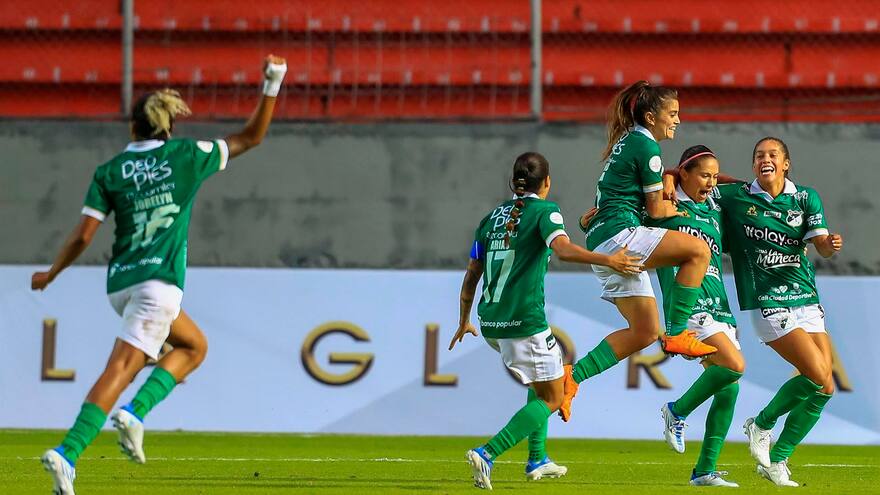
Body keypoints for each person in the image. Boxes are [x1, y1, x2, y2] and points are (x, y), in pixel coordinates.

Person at [32, 55, 288, 495]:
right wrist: (272, 82)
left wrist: (53, 272)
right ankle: (70, 451)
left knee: (193, 344)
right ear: (168, 128)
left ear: (132, 129)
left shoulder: (111, 171)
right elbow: (251, 137)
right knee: (123, 366)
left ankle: (133, 413)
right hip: (159, 284)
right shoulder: (186, 156)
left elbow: (83, 235)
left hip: (121, 284)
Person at [448, 152, 642, 490]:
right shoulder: (545, 212)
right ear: (547, 183)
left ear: (514, 183)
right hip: (523, 320)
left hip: (491, 320)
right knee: (553, 396)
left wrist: (464, 319)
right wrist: (609, 259)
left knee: (545, 382)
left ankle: (537, 459)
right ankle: (488, 452)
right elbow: (564, 250)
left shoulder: (490, 219)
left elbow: (471, 276)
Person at [561, 81, 716, 422]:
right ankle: (677, 334)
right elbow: (657, 213)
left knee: (644, 331)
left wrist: (669, 182)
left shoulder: (628, 142)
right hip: (621, 237)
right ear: (651, 116)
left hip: (603, 239)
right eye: (672, 114)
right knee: (698, 252)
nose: (677, 120)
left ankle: (571, 378)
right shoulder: (647, 149)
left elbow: (624, 196)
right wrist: (679, 209)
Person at [713, 137, 842, 487]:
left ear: (786, 163)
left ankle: (778, 459)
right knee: (815, 374)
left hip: (806, 298)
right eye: (759, 155)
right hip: (767, 300)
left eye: (772, 154)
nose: (764, 159)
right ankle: (762, 424)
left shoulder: (805, 197)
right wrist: (669, 176)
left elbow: (822, 248)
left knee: (826, 387)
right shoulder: (736, 196)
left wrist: (828, 245)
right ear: (753, 165)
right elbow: (698, 178)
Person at [650, 146, 744, 487]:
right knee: (734, 365)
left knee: (729, 388)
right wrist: (668, 175)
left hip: (720, 305)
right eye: (704, 175)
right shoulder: (665, 205)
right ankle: (677, 410)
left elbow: (742, 185)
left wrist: (683, 174)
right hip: (689, 304)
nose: (711, 182)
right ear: (685, 174)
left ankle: (704, 470)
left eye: (715, 176)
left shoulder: (714, 207)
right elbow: (625, 216)